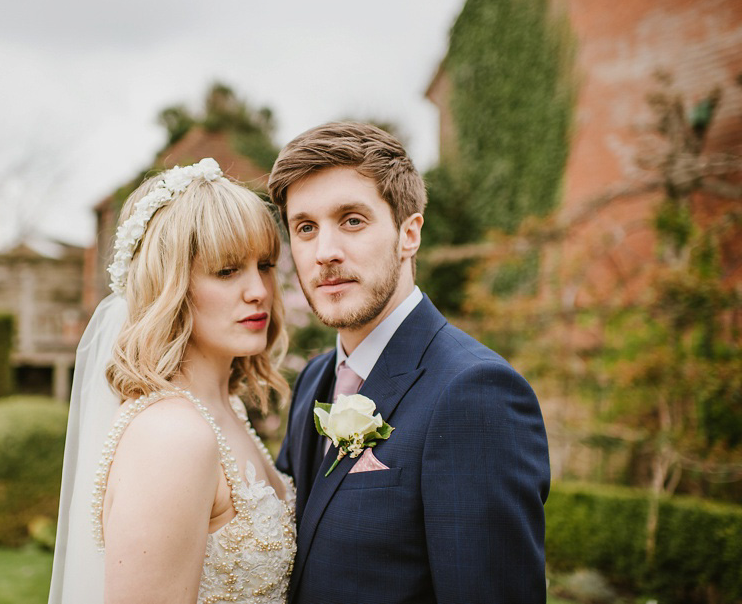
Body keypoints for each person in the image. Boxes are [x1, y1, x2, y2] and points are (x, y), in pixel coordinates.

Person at [268, 122, 550, 604]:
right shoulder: (314, 379)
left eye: (352, 220)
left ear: (409, 234)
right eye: (306, 228)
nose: (325, 253)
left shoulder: (475, 393)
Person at [48, 158, 296, 604]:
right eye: (227, 270)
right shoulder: (172, 436)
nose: (258, 290)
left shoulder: (225, 409)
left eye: (265, 265)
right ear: (170, 286)